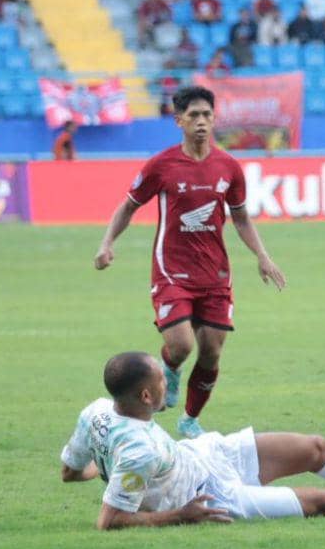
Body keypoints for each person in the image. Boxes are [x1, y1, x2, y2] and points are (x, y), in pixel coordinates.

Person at [60, 352, 325, 529]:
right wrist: (181, 516)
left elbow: (69, 470)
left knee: (313, 447)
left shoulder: (97, 410)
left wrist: (108, 468)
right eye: (162, 380)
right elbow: (110, 522)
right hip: (210, 496)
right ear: (146, 397)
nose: (169, 384)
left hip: (204, 454)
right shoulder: (137, 451)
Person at [93, 86, 288, 439]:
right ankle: (171, 371)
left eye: (207, 115)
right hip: (172, 272)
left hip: (215, 274)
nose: (201, 121)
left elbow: (241, 217)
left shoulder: (228, 167)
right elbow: (129, 207)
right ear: (178, 120)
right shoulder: (161, 165)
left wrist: (262, 256)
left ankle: (190, 420)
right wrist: (107, 243)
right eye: (193, 115)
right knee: (181, 345)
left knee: (211, 352)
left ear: (214, 119)